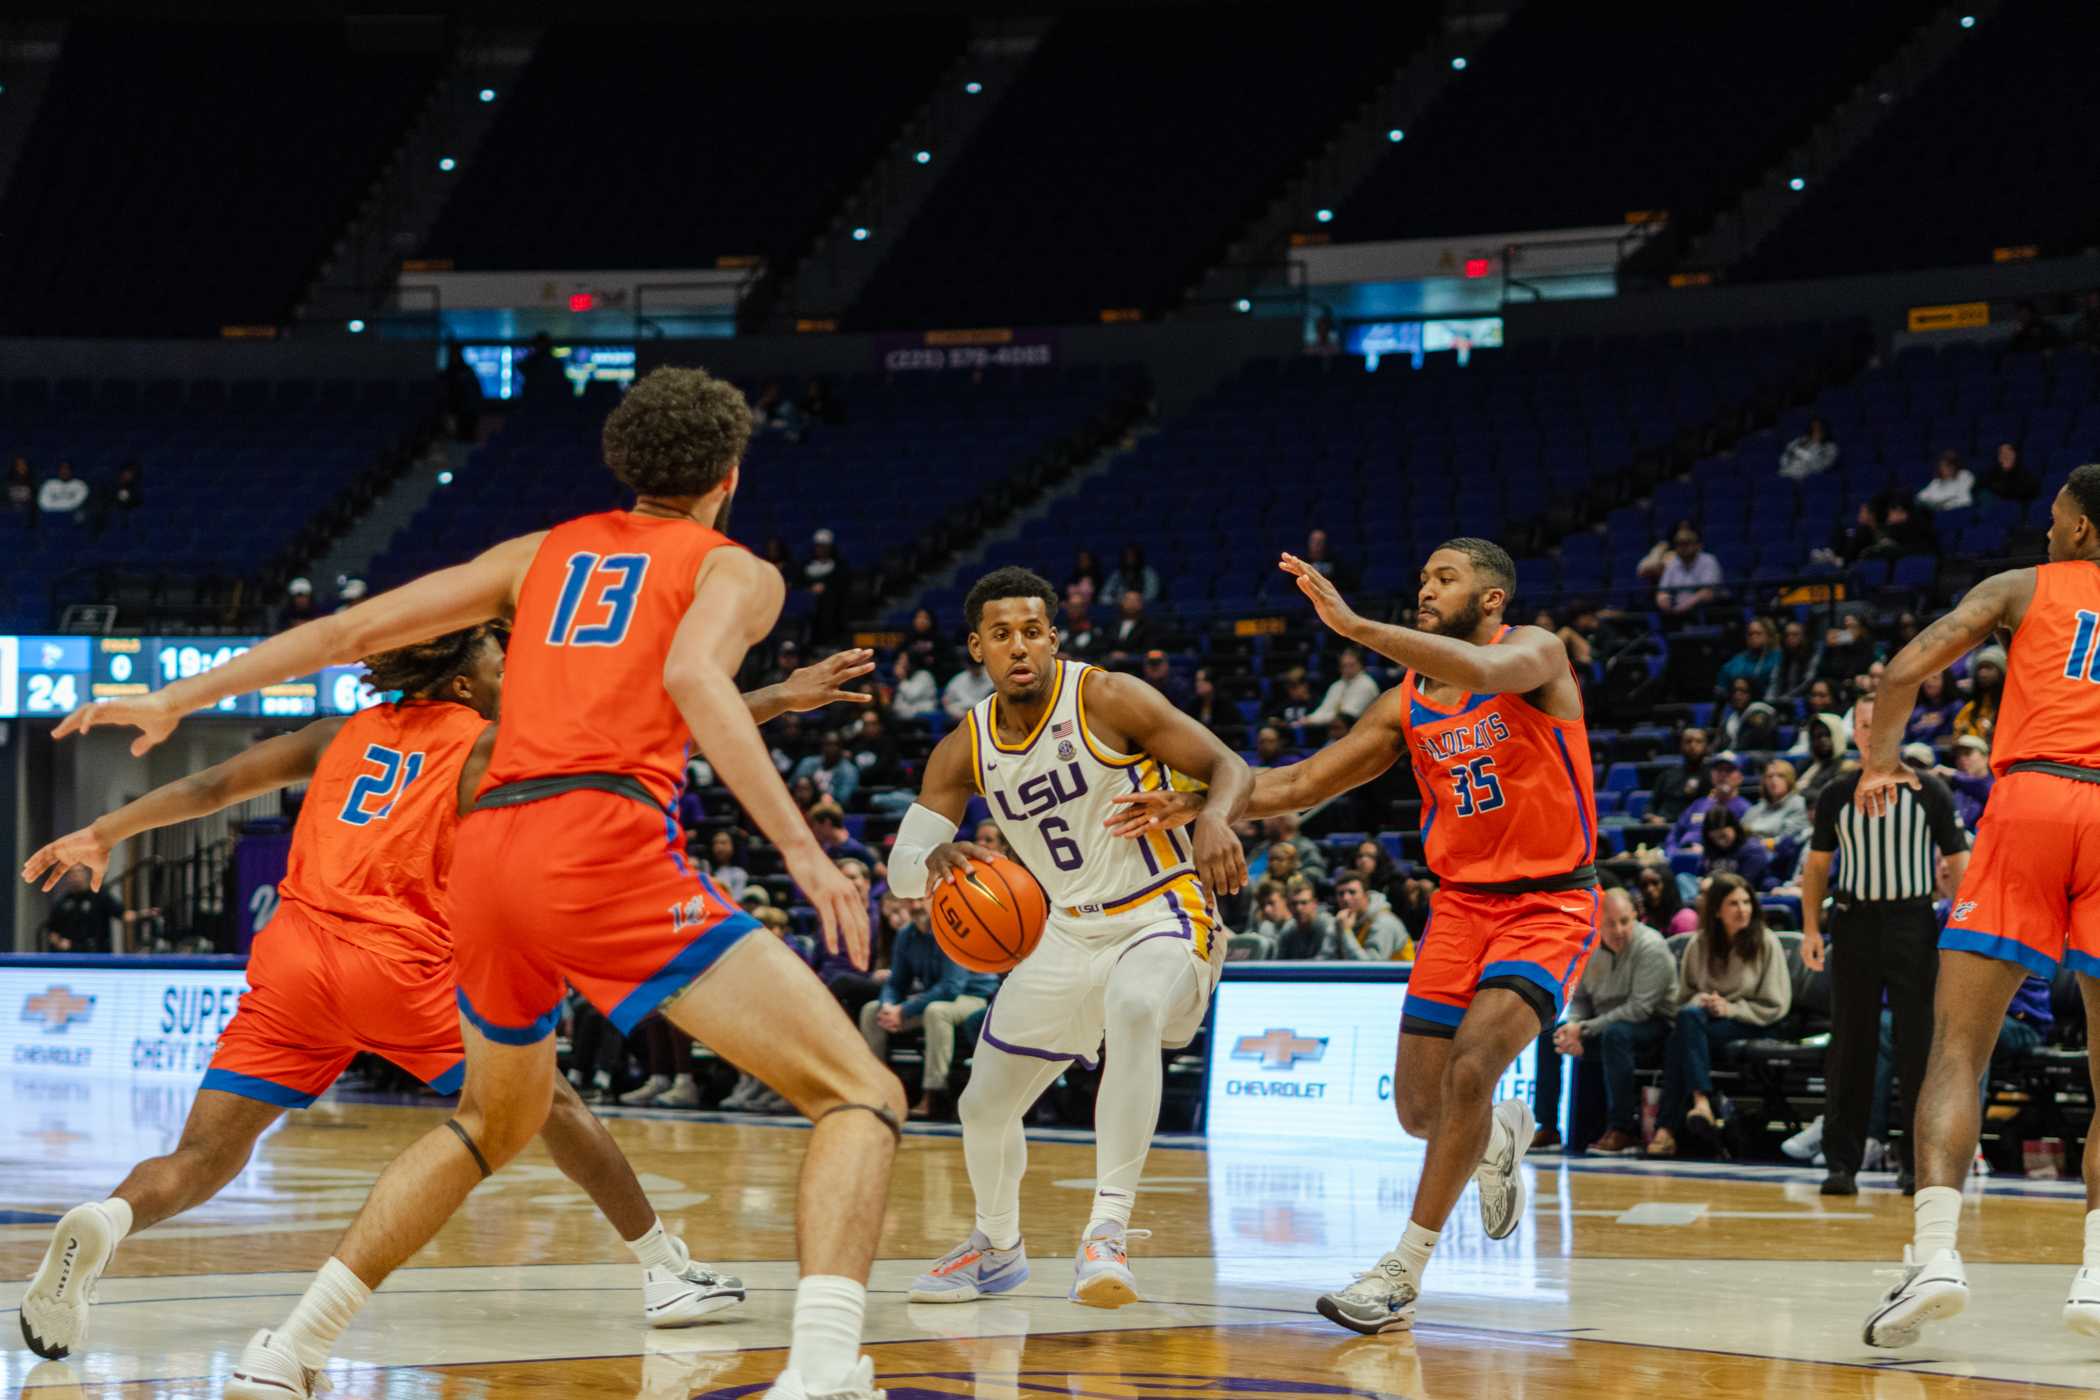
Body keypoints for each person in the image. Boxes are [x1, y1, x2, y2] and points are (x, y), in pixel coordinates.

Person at [51, 366, 896, 1400]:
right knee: (860, 1093)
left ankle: (293, 1345)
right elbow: (687, 680)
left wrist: (179, 693)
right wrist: (803, 849)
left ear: (622, 465)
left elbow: (346, 634)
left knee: (491, 1120)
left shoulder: (538, 554)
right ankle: (817, 1369)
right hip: (599, 842)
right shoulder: (738, 569)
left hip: (492, 861)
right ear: (729, 473)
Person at [16, 627, 867, 1360]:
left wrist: (102, 831)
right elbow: (648, 729)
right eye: (499, 659)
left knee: (200, 1159)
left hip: (292, 964)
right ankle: (666, 1271)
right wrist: (776, 698)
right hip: (397, 965)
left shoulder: (335, 733)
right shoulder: (490, 742)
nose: (512, 672)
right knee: (552, 1104)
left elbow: (208, 789)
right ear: (464, 680)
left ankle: (109, 1218)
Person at [1109, 537, 1598, 1335]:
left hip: (1548, 904)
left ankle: (1401, 1271)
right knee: (1418, 1109)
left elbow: (1484, 674)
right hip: (1460, 908)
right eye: (1423, 576)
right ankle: (1498, 1133)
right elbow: (1299, 782)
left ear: (1493, 599)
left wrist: (1353, 625)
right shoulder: (1406, 702)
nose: (1428, 587)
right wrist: (1202, 802)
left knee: (1474, 1065)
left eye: (1446, 578)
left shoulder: (1535, 656)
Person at [891, 566, 1251, 1310]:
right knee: (982, 1106)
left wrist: (1211, 815)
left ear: (1053, 636)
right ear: (976, 649)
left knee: (1133, 1010)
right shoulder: (965, 747)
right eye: (1001, 634)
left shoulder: (1107, 696)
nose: (1019, 646)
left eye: (1032, 630)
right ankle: (996, 1246)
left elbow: (1227, 765)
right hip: (1062, 934)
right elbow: (898, 874)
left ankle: (1107, 1233)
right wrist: (932, 859)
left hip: (1162, 910)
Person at [1852, 465, 2100, 1347]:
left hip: (2032, 800)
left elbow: (1907, 665)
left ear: (2077, 530)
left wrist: (1882, 763)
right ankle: (2098, 1280)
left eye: (2053, 518)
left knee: (1958, 1046)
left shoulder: (2021, 586)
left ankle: (1937, 1257)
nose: (2045, 530)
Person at [1647, 875, 1791, 1158]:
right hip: (1705, 1025)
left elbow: (1776, 1005)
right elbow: (1683, 998)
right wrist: (1701, 1000)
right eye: (1733, 903)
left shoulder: (1766, 942)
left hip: (1756, 1024)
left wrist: (1732, 1009)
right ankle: (1696, 1108)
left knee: (1682, 1034)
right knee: (1686, 1023)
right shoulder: (1698, 944)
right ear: (1716, 910)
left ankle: (1674, 1124)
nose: (1743, 909)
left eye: (1747, 902)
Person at [1553, 888, 1677, 1156]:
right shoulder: (1588, 948)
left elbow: (1639, 1009)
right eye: (1611, 923)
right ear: (1597, 922)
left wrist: (1584, 1028)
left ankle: (1623, 1129)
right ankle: (1548, 1127)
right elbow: (1581, 999)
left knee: (1616, 1035)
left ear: (1636, 916)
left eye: (1625, 921)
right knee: (1550, 1035)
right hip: (1604, 1025)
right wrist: (1573, 1026)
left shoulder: (1651, 946)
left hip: (1656, 1027)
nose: (1619, 930)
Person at [860, 898, 998, 1119]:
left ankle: (934, 1094)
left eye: (919, 900)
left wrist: (903, 1011)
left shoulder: (955, 928)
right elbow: (896, 983)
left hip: (973, 995)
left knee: (937, 1011)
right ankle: (876, 1089)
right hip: (933, 996)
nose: (914, 906)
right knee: (871, 1011)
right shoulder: (906, 935)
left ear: (935, 899)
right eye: (909, 901)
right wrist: (888, 1006)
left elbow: (951, 988)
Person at [1668, 752, 1749, 853]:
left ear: (1740, 777)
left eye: (1729, 770)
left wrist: (1707, 853)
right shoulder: (1699, 804)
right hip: (1681, 855)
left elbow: (1740, 844)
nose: (1723, 774)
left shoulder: (1745, 809)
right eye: (1719, 770)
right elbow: (1675, 833)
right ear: (1712, 775)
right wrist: (1672, 853)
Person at [1334, 871, 1414, 960]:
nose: (1345, 898)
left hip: (1405, 974)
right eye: (1341, 894)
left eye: (1352, 892)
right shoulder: (1345, 920)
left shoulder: (1384, 923)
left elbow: (1370, 969)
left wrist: (1346, 931)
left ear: (1366, 896)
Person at [1648, 726, 1712, 826]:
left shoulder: (1712, 776)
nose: (1693, 746)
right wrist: (1650, 817)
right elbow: (1651, 804)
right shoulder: (1667, 775)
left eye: (1698, 741)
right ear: (1681, 746)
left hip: (1695, 828)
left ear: (1706, 746)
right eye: (1688, 741)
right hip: (1662, 826)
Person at [1698, 804, 1770, 890]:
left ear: (1735, 828)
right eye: (1714, 838)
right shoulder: (1710, 848)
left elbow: (1743, 886)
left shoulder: (1753, 850)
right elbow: (1700, 875)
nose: (1720, 842)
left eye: (1723, 836)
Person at [1655, 525, 1723, 614]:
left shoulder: (1709, 561)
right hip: (1677, 610)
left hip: (1707, 610)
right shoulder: (1672, 563)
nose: (1682, 547)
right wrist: (1663, 600)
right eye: (1678, 544)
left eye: (1687, 543)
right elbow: (1662, 592)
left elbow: (1707, 593)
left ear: (1698, 545)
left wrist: (1684, 606)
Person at [1276, 876, 1349, 959]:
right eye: (1294, 904)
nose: (1298, 908)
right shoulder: (1288, 929)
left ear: (1314, 903)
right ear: (1288, 906)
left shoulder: (1328, 925)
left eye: (1304, 903)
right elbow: (1278, 962)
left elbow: (1324, 962)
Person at [1743, 759, 1811, 844]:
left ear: (1789, 779)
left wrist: (1760, 843)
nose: (1774, 780)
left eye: (1780, 776)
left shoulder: (1799, 804)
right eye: (1770, 776)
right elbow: (1741, 831)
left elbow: (1788, 841)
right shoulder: (1758, 807)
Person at [1794, 713, 1853, 808]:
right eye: (1817, 736)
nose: (1822, 740)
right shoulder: (1806, 764)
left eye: (1827, 735)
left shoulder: (1847, 767)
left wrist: (1799, 791)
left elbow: (1830, 797)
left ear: (1837, 735)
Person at [1307, 647, 1380, 724]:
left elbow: (1348, 715)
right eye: (1344, 666)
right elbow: (1324, 709)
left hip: (1361, 729)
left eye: (1351, 665)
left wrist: (1313, 721)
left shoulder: (1366, 684)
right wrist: (1308, 719)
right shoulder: (1336, 685)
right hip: (1335, 728)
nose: (1347, 670)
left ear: (1361, 665)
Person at [1715, 618, 1780, 698]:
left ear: (1769, 636)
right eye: (1750, 634)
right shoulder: (1736, 662)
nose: (1753, 637)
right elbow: (1721, 689)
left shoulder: (1779, 657)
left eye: (1758, 633)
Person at [794, 730, 861, 807]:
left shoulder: (849, 770)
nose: (831, 748)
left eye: (835, 745)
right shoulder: (807, 763)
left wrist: (819, 797)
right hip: (802, 807)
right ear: (822, 746)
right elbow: (793, 787)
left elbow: (843, 799)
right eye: (827, 744)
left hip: (832, 810)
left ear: (841, 747)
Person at [1953, 644, 2005, 743]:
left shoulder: (2010, 706)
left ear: (2001, 672)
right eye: (1980, 668)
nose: (1982, 673)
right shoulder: (1968, 710)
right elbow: (1957, 739)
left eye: (1988, 668)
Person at [1905, 669, 1963, 745]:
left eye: (1935, 678)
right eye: (1926, 678)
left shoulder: (1955, 707)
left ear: (1946, 681)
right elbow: (1907, 738)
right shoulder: (1916, 710)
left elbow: (1957, 738)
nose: (1928, 682)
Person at [1780, 416, 1839, 480]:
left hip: (1811, 479)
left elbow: (1820, 466)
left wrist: (1813, 446)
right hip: (1788, 473)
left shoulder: (1830, 447)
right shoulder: (1802, 440)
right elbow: (1785, 456)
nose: (1815, 431)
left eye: (1818, 428)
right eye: (1813, 428)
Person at [1108, 588, 1162, 658]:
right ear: (1122, 603)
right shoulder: (1113, 623)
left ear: (1141, 604)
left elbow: (1148, 648)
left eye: (1134, 600)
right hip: (1110, 664)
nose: (1131, 603)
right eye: (1128, 600)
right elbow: (1105, 644)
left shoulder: (1149, 625)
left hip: (1136, 664)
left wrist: (1128, 655)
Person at [890, 650, 940, 722]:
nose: (900, 663)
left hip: (925, 715)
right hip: (906, 716)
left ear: (911, 661)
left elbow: (912, 695)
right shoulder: (906, 678)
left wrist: (901, 679)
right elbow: (897, 705)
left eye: (903, 659)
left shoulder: (924, 675)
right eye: (899, 659)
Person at [943, 657, 994, 721]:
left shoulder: (992, 677)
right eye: (972, 666)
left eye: (977, 666)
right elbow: (947, 699)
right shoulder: (959, 679)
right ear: (968, 666)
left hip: (985, 710)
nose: (975, 669)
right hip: (964, 710)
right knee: (953, 708)